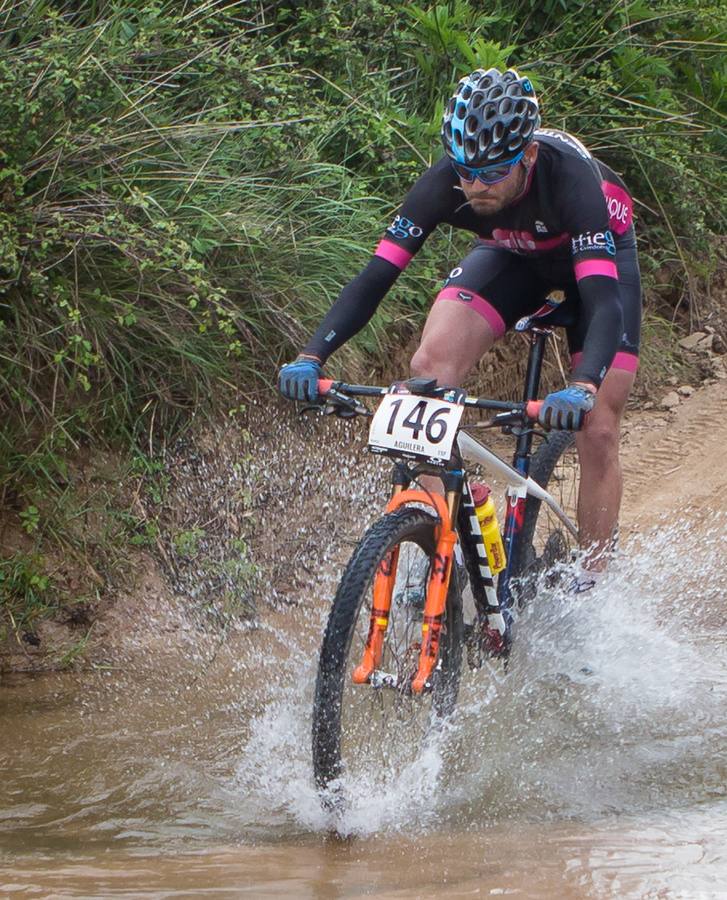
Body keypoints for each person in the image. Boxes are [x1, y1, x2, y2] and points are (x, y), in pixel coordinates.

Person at [278, 68, 641, 586]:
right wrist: (313, 355)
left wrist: (582, 387)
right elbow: (376, 276)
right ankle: (437, 543)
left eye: (493, 174)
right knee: (429, 369)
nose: (475, 187)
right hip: (512, 252)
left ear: (529, 157)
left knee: (599, 424)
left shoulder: (572, 180)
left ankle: (595, 588)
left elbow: (604, 302)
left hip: (597, 265)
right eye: (466, 172)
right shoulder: (446, 182)